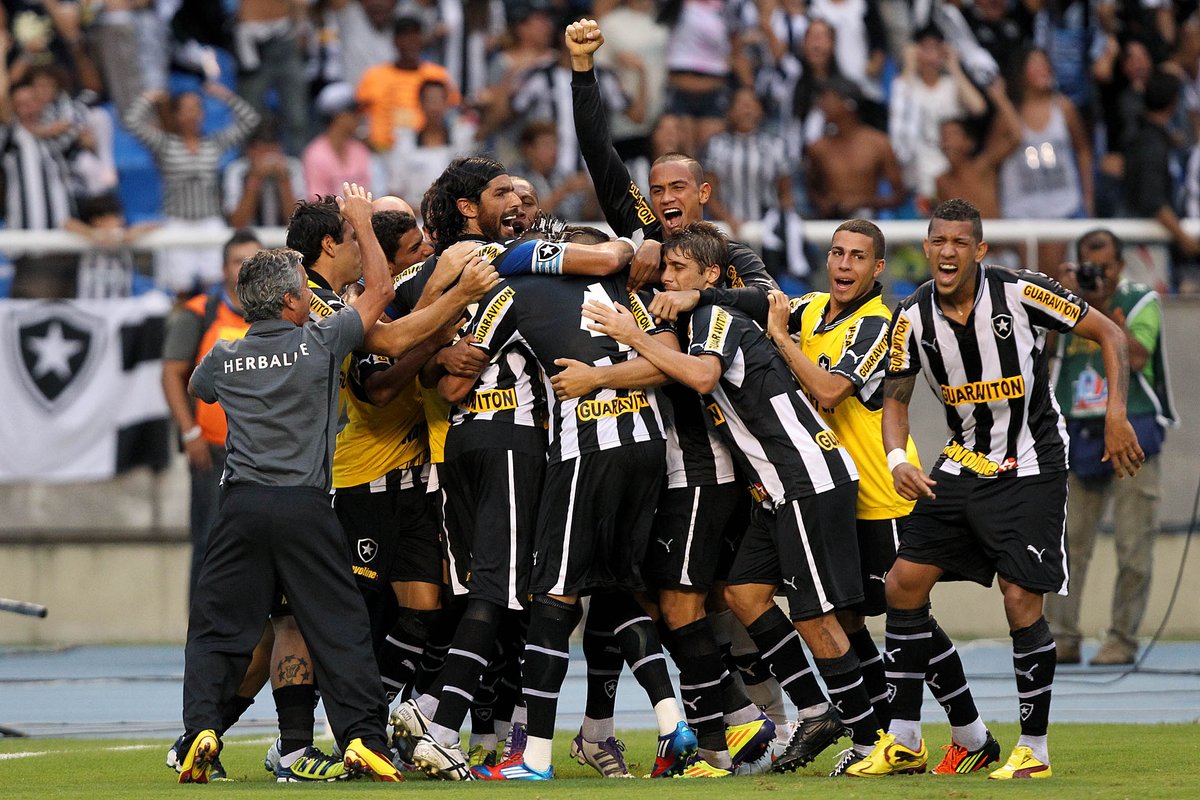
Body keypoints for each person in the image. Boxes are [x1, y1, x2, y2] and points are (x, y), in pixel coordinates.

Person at [175, 183, 497, 784]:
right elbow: (380, 300)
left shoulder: (223, 353)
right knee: (340, 626)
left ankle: (200, 733)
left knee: (218, 627)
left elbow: (200, 388)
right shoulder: (319, 341)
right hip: (305, 502)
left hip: (239, 503)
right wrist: (363, 221)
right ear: (295, 301)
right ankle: (363, 740)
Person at [584, 221, 884, 778]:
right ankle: (818, 711)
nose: (666, 280)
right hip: (775, 488)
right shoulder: (702, 316)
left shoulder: (714, 316)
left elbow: (701, 376)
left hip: (807, 478)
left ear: (709, 277)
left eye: (679, 271)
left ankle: (871, 740)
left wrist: (635, 336)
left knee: (817, 617)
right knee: (745, 594)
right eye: (665, 268)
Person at [855, 198, 1143, 780]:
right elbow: (895, 399)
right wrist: (893, 457)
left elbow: (1109, 331)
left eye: (960, 242)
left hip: (1033, 462)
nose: (947, 252)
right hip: (964, 460)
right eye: (938, 241)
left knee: (1019, 599)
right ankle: (906, 739)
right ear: (928, 247)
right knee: (903, 585)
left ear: (979, 251)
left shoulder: (1020, 291)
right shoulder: (910, 318)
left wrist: (1116, 412)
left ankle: (1033, 749)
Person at [762, 219, 999, 776]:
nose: (844, 265)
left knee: (908, 616)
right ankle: (883, 732)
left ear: (878, 269)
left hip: (886, 495)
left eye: (858, 257)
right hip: (838, 498)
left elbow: (827, 391)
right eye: (837, 254)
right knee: (846, 620)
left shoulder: (879, 325)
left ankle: (966, 733)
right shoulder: (815, 308)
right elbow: (761, 300)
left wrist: (779, 340)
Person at [1045, 229, 1178, 666]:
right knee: (1066, 545)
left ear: (1120, 266)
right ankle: (1061, 636)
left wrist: (1097, 306)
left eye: (1102, 267)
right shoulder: (1063, 304)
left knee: (1133, 544)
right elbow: (1037, 352)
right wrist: (1049, 300)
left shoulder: (1140, 300)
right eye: (1087, 265)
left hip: (1132, 429)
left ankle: (1122, 639)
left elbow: (1137, 355)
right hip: (1078, 431)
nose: (1094, 274)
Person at [161, 229, 262, 601]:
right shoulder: (199, 313)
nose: (245, 269)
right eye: (238, 261)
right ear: (222, 269)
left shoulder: (279, 314)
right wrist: (190, 434)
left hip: (263, 453)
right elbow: (172, 373)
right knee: (208, 542)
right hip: (214, 452)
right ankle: (199, 642)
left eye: (253, 260)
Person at [124, 81, 260, 294]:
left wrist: (225, 96)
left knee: (218, 285)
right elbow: (131, 122)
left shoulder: (214, 144)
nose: (193, 113)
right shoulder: (165, 145)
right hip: (177, 222)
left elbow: (250, 120)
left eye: (197, 107)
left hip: (210, 221)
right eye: (186, 109)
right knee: (180, 289)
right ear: (176, 114)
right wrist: (150, 98)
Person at [806, 77, 906, 220]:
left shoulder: (878, 143)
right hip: (830, 228)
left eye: (828, 99)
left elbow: (899, 195)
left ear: (848, 104)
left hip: (868, 224)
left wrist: (863, 202)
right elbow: (812, 191)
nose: (822, 105)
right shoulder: (818, 148)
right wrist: (824, 204)